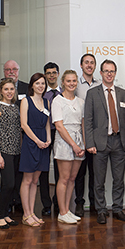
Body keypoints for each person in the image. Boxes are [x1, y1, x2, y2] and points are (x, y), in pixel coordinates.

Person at [84, 59, 125, 224]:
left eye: (112, 71)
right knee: (99, 180)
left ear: (115, 73)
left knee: (119, 179)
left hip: (119, 142)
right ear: (101, 73)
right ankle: (101, 210)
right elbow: (88, 121)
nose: (109, 74)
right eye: (106, 71)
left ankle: (118, 209)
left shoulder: (123, 93)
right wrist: (89, 143)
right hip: (99, 144)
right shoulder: (92, 93)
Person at [52, 70, 85, 224]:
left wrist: (83, 143)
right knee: (64, 179)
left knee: (72, 178)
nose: (71, 83)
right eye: (68, 81)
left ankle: (68, 210)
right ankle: (62, 212)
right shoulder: (57, 101)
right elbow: (59, 126)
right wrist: (73, 145)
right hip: (64, 140)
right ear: (63, 82)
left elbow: (83, 124)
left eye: (74, 81)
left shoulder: (80, 101)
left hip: (79, 141)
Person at [0, 78, 22, 229]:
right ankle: (0, 216)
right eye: (6, 89)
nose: (9, 92)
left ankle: (6, 214)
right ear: (1, 91)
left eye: (12, 89)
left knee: (11, 185)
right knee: (8, 184)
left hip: (16, 151)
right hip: (4, 151)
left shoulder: (15, 107)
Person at [19, 73, 51, 227]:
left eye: (43, 83)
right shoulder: (26, 101)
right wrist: (37, 141)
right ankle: (26, 214)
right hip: (31, 142)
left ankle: (32, 212)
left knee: (35, 180)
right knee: (27, 180)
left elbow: (47, 123)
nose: (40, 86)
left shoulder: (46, 102)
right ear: (32, 85)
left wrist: (48, 139)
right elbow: (24, 125)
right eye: (37, 83)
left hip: (43, 143)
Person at [74, 53, 100, 217]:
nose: (89, 65)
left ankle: (94, 203)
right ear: (81, 65)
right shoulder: (75, 85)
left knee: (95, 172)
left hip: (97, 135)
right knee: (80, 173)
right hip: (80, 135)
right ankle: (79, 203)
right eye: (86, 63)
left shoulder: (100, 84)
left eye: (92, 63)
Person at [39, 62, 62, 217]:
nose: (51, 75)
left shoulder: (64, 92)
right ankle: (46, 203)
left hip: (60, 133)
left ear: (58, 74)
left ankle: (59, 201)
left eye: (54, 72)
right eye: (48, 73)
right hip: (45, 133)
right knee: (44, 169)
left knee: (61, 168)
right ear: (45, 75)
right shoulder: (41, 93)